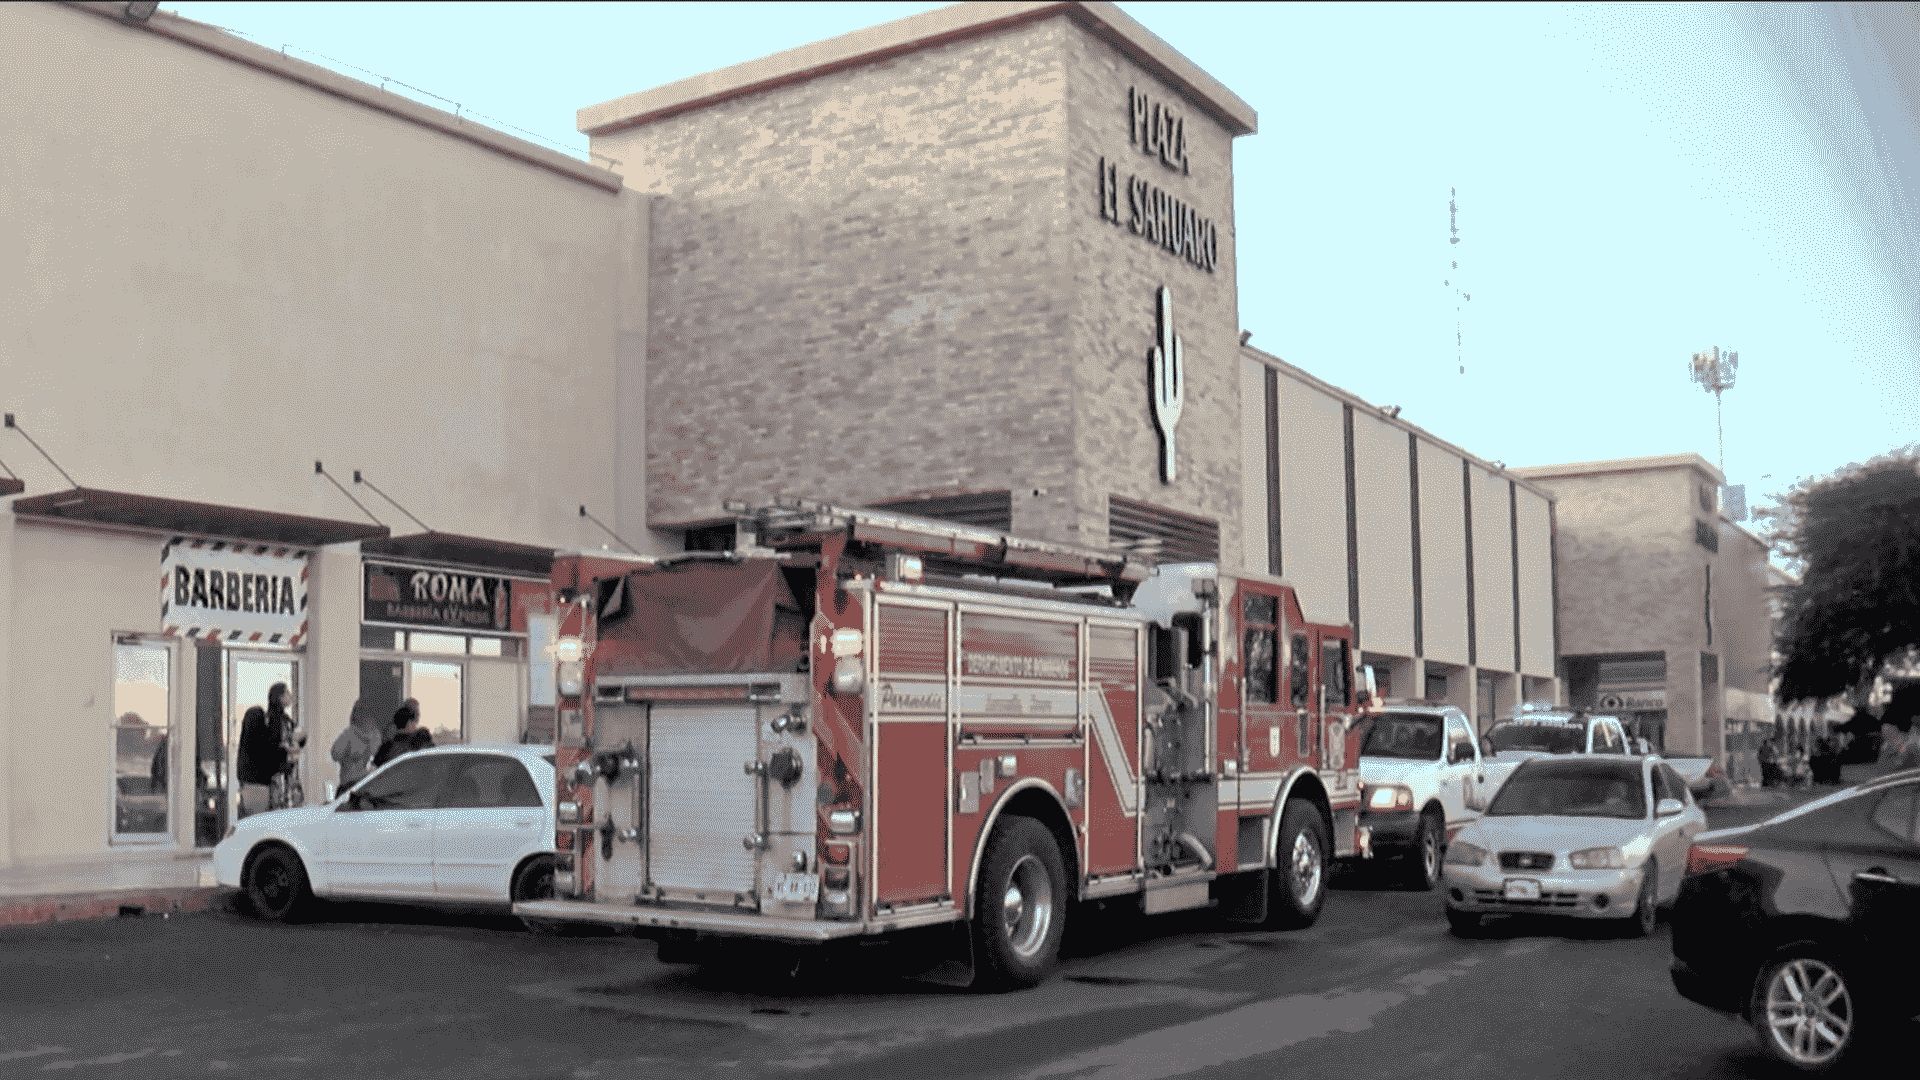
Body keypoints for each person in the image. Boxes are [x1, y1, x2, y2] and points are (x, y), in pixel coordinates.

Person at [234, 706, 283, 818]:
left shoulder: (245, 742)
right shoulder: (260, 740)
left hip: (246, 788)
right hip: (259, 789)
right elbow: (270, 761)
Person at [330, 698, 384, 794]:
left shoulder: (375, 736)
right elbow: (335, 754)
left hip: (366, 786)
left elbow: (335, 754)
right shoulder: (349, 735)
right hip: (353, 786)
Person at [373, 699, 433, 768]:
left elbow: (376, 766)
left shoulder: (386, 747)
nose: (417, 717)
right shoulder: (421, 739)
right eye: (415, 713)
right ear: (409, 723)